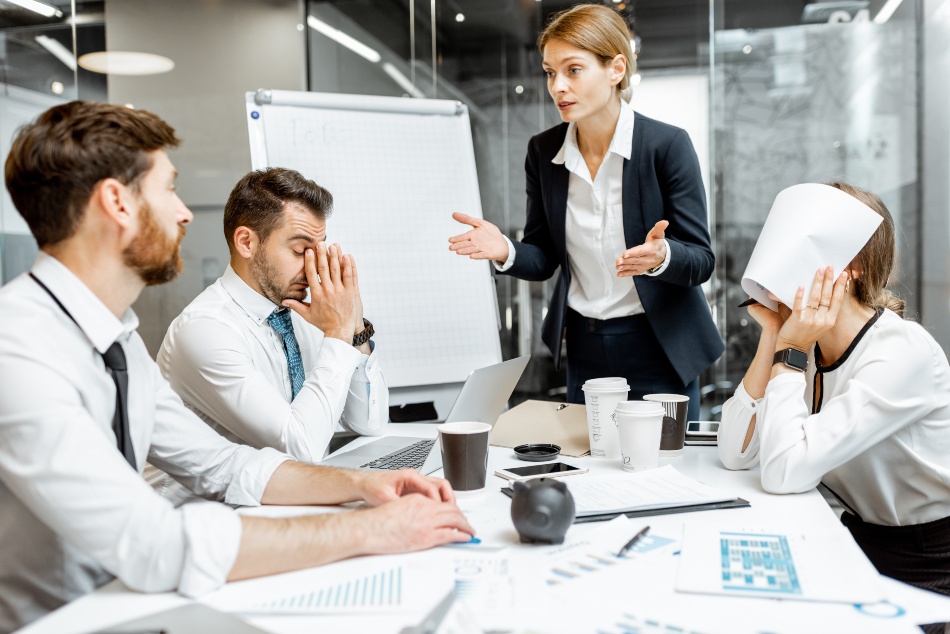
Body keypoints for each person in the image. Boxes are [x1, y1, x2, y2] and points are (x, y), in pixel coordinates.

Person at [0, 101, 473, 633]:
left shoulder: (118, 340)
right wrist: (373, 531)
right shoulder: (17, 348)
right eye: (169, 189)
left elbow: (226, 465)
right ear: (117, 202)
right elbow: (155, 543)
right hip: (69, 621)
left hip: (133, 601)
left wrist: (365, 487)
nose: (183, 213)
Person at [448, 4, 722, 419]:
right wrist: (504, 249)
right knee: (590, 472)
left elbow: (701, 260)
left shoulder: (666, 146)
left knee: (667, 474)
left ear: (615, 69)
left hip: (660, 345)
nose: (558, 86)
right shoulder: (543, 151)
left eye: (573, 70)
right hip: (585, 345)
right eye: (549, 72)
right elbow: (543, 256)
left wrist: (661, 257)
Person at [718, 182, 950, 612]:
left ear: (853, 266)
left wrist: (790, 351)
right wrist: (774, 335)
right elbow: (736, 452)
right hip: (858, 538)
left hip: (931, 560)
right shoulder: (804, 344)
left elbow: (783, 472)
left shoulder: (902, 352)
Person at [157, 168, 386, 465]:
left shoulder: (304, 312)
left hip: (298, 497)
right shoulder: (205, 330)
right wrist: (338, 333)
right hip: (217, 508)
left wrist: (354, 328)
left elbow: (370, 423)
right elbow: (299, 448)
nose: (314, 267)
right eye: (300, 250)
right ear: (246, 243)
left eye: (317, 251)